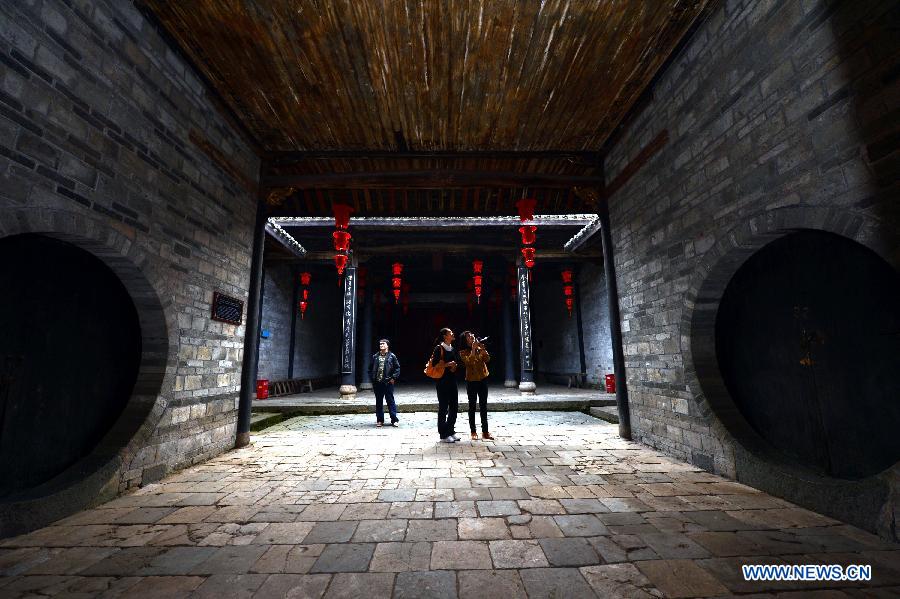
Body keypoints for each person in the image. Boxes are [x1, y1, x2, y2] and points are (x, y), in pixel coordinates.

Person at [459, 331, 494, 440]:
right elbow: (469, 362)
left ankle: (485, 431)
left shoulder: (479, 348)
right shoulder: (463, 352)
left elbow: (487, 359)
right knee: (472, 406)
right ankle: (473, 431)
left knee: (483, 406)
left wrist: (482, 348)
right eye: (469, 337)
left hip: (483, 379)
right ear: (465, 341)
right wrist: (474, 349)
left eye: (472, 335)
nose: (472, 337)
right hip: (471, 381)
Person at [429, 328, 460, 443]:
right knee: (443, 408)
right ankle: (443, 434)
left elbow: (456, 363)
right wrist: (448, 365)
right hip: (442, 382)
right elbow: (435, 364)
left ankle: (450, 430)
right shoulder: (439, 348)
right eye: (450, 333)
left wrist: (454, 366)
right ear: (445, 336)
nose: (452, 334)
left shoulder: (452, 348)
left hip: (452, 381)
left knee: (454, 407)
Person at [369, 339, 400, 427]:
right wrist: (372, 377)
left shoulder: (392, 356)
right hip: (377, 383)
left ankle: (394, 420)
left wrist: (393, 377)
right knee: (379, 402)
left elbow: (397, 368)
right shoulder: (375, 356)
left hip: (388, 382)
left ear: (387, 346)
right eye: (380, 344)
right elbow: (370, 368)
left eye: (383, 344)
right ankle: (380, 420)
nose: (381, 345)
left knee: (390, 401)